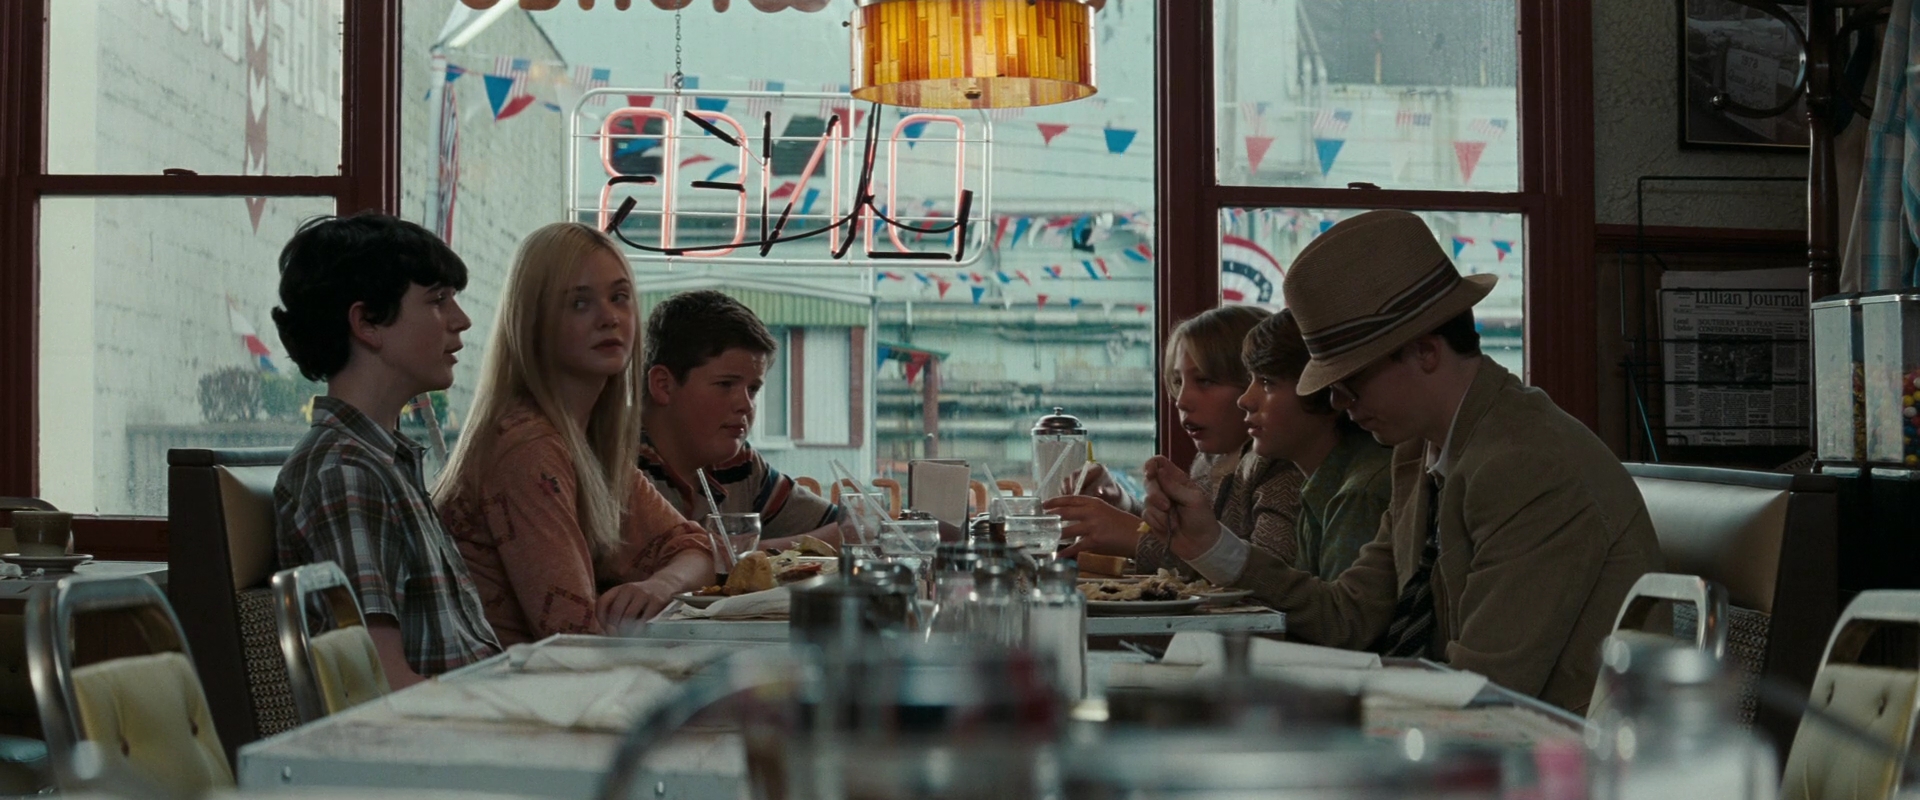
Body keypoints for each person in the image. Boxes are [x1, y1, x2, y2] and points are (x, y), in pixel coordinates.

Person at [1141, 210, 1660, 713]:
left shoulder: (1527, 464)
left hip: (1569, 750)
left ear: (1425, 352)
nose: (1336, 401)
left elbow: (1484, 688)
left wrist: (1297, 690)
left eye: (1350, 379)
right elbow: (1346, 615)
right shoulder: (1419, 450)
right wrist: (1209, 544)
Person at [435, 222, 713, 646]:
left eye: (619, 297)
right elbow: (573, 636)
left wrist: (660, 586)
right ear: (533, 323)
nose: (609, 318)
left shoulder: (586, 442)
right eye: (580, 303)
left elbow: (698, 547)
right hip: (510, 685)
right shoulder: (528, 448)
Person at [271, 212, 500, 688]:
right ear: (368, 323)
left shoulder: (380, 460)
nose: (461, 320)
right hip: (442, 729)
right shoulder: (346, 472)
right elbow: (380, 684)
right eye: (438, 300)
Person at [1052, 305, 1303, 575]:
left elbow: (1268, 573)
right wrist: (1123, 504)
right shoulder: (1209, 460)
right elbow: (1185, 542)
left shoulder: (1282, 467)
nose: (1181, 401)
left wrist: (1133, 538)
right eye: (1178, 381)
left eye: (1204, 381)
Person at [638, 290, 842, 551]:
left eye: (753, 389)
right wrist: (738, 556)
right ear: (663, 385)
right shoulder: (616, 466)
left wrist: (747, 554)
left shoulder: (738, 466)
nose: (746, 404)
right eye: (725, 384)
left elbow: (851, 529)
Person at [1238, 308, 1393, 582]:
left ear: (1323, 390)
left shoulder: (1359, 494)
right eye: (1251, 379)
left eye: (1267, 382)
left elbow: (1341, 609)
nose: (1245, 400)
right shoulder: (1322, 482)